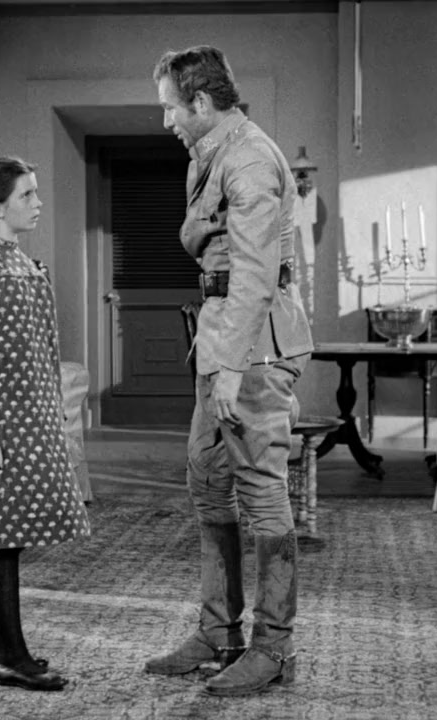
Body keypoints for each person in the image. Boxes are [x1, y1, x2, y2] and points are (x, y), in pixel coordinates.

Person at [143, 45, 313, 697]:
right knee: (209, 481)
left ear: (201, 102)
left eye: (170, 108)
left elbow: (255, 273)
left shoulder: (248, 158)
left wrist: (235, 366)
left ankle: (273, 647)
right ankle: (219, 632)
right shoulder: (210, 153)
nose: (167, 121)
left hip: (253, 343)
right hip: (220, 334)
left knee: (262, 491)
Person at [0, 156, 91, 692]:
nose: (37, 203)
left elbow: (40, 351)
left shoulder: (26, 266)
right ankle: (12, 658)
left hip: (30, 420)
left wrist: (53, 414)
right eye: (27, 195)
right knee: (0, 539)